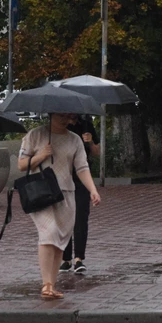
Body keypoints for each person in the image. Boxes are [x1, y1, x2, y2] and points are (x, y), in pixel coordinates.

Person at [19, 113, 102, 299]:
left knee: (60, 240)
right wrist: (40, 156)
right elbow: (21, 164)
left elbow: (82, 167)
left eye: (70, 116)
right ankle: (46, 284)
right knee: (49, 234)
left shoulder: (75, 140)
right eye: (62, 115)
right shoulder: (35, 135)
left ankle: (51, 283)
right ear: (51, 114)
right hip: (42, 194)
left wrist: (92, 190)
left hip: (66, 194)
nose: (67, 119)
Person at [58, 114, 101, 274]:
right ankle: (66, 259)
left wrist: (90, 143)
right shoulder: (59, 125)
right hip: (63, 175)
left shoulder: (86, 124)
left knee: (81, 216)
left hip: (82, 176)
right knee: (64, 217)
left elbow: (97, 152)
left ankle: (79, 259)